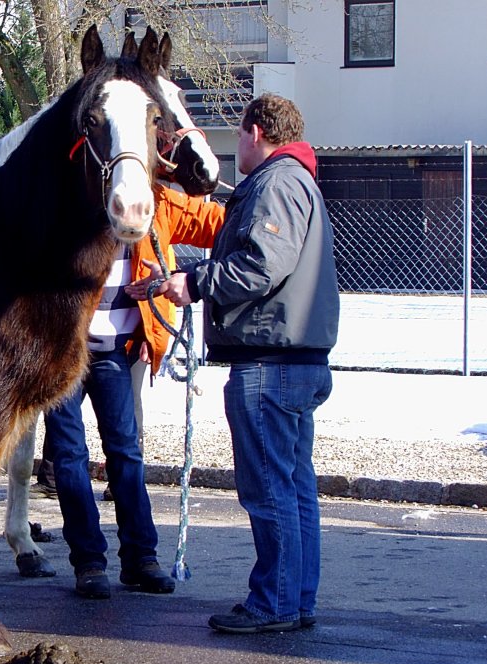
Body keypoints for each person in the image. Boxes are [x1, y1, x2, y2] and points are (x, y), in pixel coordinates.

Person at [152, 93, 339, 633]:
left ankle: (274, 603)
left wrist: (194, 282)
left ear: (258, 131)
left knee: (270, 489)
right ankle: (295, 599)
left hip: (270, 362)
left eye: (241, 133)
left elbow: (261, 265)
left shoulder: (277, 183)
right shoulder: (298, 179)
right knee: (295, 486)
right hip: (296, 356)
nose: (240, 145)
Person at [47, 179, 225, 599]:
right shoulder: (63, 197)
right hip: (59, 350)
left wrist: (181, 280)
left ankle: (141, 558)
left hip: (118, 350)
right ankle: (89, 562)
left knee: (125, 451)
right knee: (69, 456)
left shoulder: (156, 201)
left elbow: (223, 225)